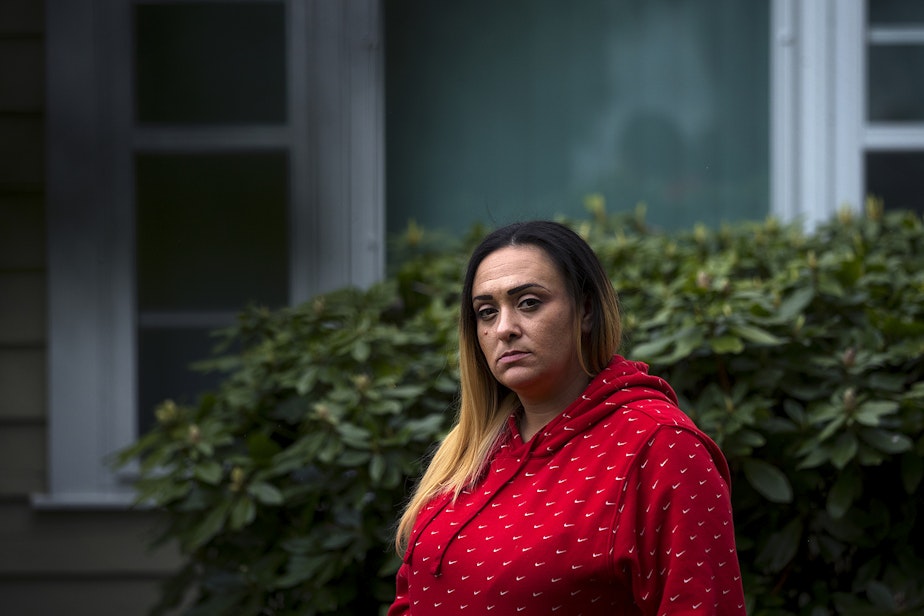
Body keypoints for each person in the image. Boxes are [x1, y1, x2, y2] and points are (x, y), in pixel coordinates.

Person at [389, 221, 746, 615]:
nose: (504, 328)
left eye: (528, 303)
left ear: (587, 310)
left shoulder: (661, 446)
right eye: (486, 312)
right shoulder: (471, 450)